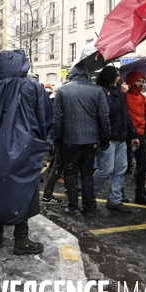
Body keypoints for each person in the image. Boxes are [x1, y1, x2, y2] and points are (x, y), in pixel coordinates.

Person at [0, 50, 53, 255]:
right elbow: (45, 119)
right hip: (25, 150)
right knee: (23, 192)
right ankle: (21, 239)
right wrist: (43, 144)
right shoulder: (33, 88)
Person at [53, 65, 110, 215]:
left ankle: (73, 206)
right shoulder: (97, 90)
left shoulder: (63, 90)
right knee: (87, 173)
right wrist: (106, 136)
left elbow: (58, 117)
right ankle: (88, 207)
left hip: (70, 138)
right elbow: (104, 116)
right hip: (90, 139)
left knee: (71, 172)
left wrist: (57, 137)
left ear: (71, 75)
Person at [93, 66, 139, 213]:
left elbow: (124, 115)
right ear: (109, 77)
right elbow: (110, 110)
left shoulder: (117, 91)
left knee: (120, 169)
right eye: (117, 76)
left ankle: (114, 200)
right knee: (106, 169)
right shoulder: (101, 92)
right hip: (108, 137)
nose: (120, 78)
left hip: (120, 137)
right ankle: (89, 193)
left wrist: (133, 134)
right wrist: (121, 94)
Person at [125, 71, 146, 206]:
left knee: (144, 165)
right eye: (138, 81)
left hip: (141, 134)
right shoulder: (124, 96)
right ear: (131, 82)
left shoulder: (142, 97)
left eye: (142, 81)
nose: (141, 83)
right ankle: (119, 192)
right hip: (129, 136)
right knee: (125, 166)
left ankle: (140, 193)